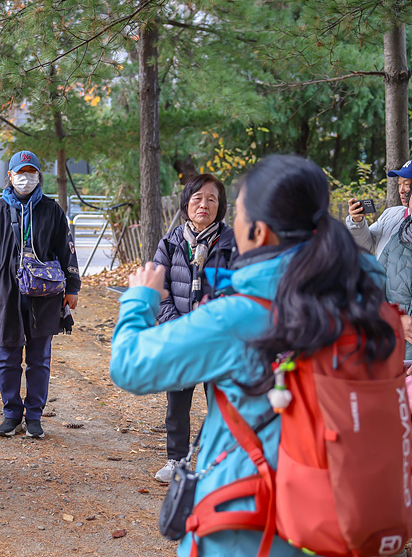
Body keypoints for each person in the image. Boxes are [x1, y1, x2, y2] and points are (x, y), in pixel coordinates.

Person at [110, 155, 398, 557]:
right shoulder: (367, 308)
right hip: (337, 517)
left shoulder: (240, 316)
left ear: (258, 232)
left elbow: (129, 365)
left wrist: (140, 298)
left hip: (246, 528)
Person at [0, 150, 80, 440]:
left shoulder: (52, 210)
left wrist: (72, 287)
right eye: (20, 172)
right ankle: (11, 413)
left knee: (39, 359)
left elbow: (66, 248)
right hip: (5, 293)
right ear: (10, 176)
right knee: (7, 357)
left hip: (45, 295)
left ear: (38, 176)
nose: (26, 178)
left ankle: (34, 416)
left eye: (31, 172)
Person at [150, 174, 236, 483]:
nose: (204, 205)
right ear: (186, 204)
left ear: (220, 206)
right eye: (197, 198)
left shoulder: (232, 244)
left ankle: (220, 465)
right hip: (181, 338)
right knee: (177, 405)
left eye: (212, 199)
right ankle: (176, 460)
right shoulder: (171, 242)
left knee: (222, 405)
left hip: (218, 341)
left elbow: (240, 291)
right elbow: (159, 289)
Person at [346, 159, 412, 258]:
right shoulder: (390, 214)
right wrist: (356, 222)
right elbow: (366, 245)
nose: (401, 190)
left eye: (406, 184)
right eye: (399, 184)